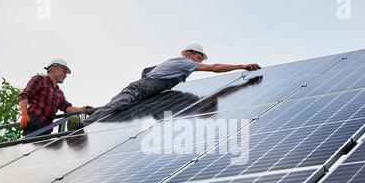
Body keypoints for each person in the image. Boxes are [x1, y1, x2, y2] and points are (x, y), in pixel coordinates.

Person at [70, 44, 260, 129]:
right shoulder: (184, 62)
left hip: (147, 93)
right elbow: (215, 68)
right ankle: (80, 125)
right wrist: (242, 66)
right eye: (198, 57)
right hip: (140, 88)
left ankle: (90, 116)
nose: (198, 62)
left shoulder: (182, 68)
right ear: (188, 54)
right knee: (116, 106)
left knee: (120, 116)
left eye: (200, 59)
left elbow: (216, 96)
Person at [18, 58, 92, 135]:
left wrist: (82, 109)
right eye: (64, 72)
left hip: (47, 128)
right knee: (35, 145)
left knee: (48, 145)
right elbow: (24, 96)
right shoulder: (40, 79)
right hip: (34, 122)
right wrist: (24, 114)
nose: (65, 75)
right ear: (54, 69)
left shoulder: (59, 92)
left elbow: (67, 108)